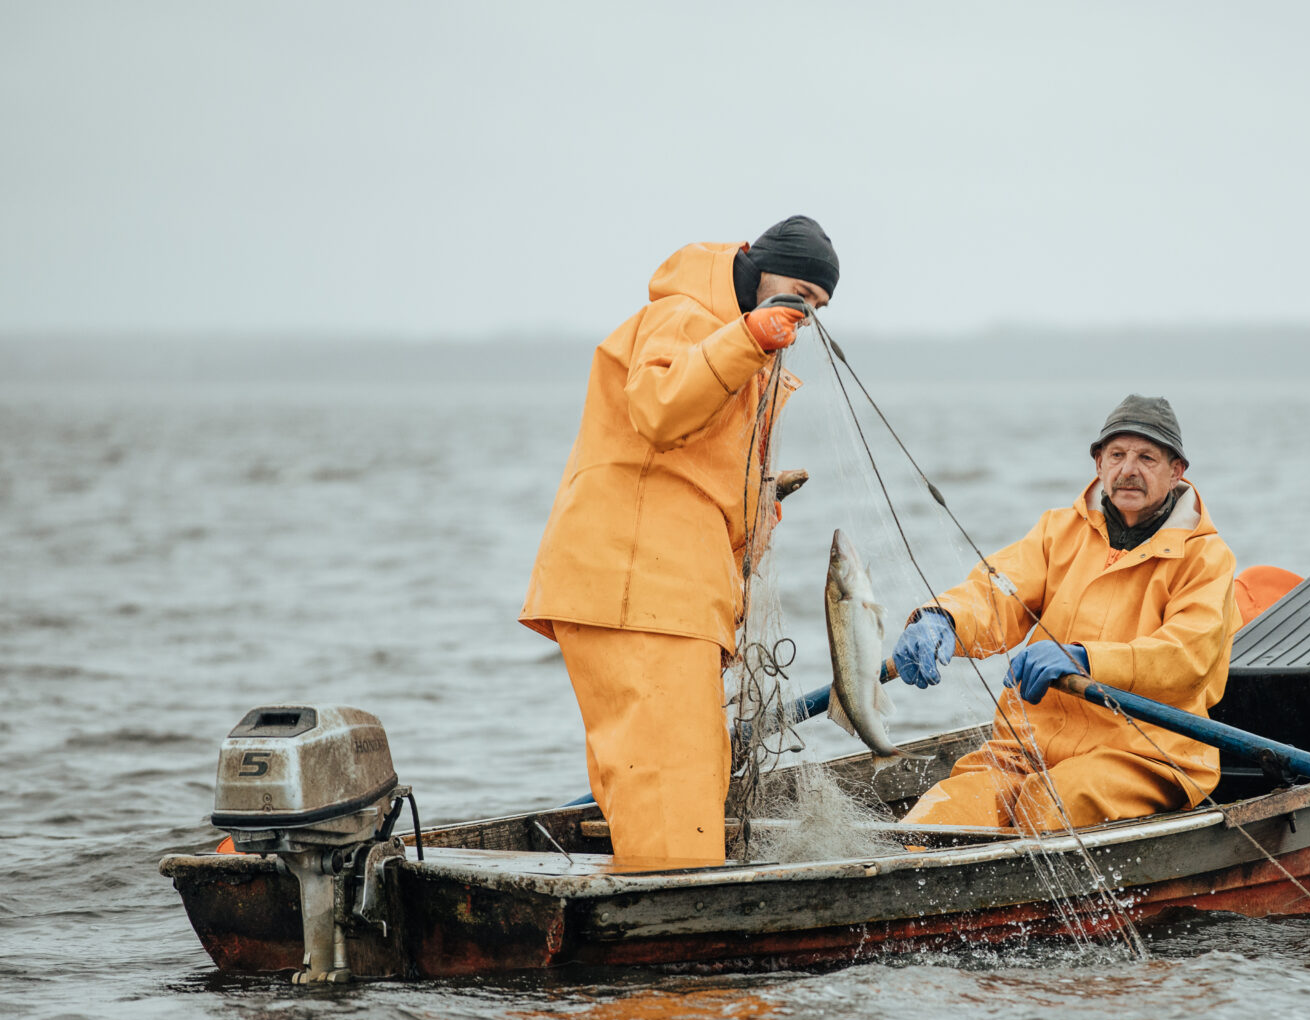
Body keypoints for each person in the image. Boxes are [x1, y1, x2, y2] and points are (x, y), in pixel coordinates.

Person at [519, 216, 839, 872]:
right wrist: (748, 337)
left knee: (655, 780)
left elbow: (688, 465)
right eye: (797, 292)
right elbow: (662, 408)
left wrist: (760, 504)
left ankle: (643, 939)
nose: (802, 313)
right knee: (672, 784)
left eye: (816, 305)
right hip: (640, 591)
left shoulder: (738, 349)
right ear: (755, 263)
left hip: (653, 591)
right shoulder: (686, 317)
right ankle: (685, 974)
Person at [892, 395, 1239, 832]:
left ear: (1176, 472)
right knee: (931, 823)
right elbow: (996, 592)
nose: (1129, 469)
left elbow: (1188, 656)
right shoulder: (1058, 530)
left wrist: (1085, 660)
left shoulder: (1207, 557)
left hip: (1146, 755)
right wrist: (942, 617)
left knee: (1045, 807)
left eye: (1147, 457)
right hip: (1023, 749)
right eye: (1117, 455)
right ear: (1098, 464)